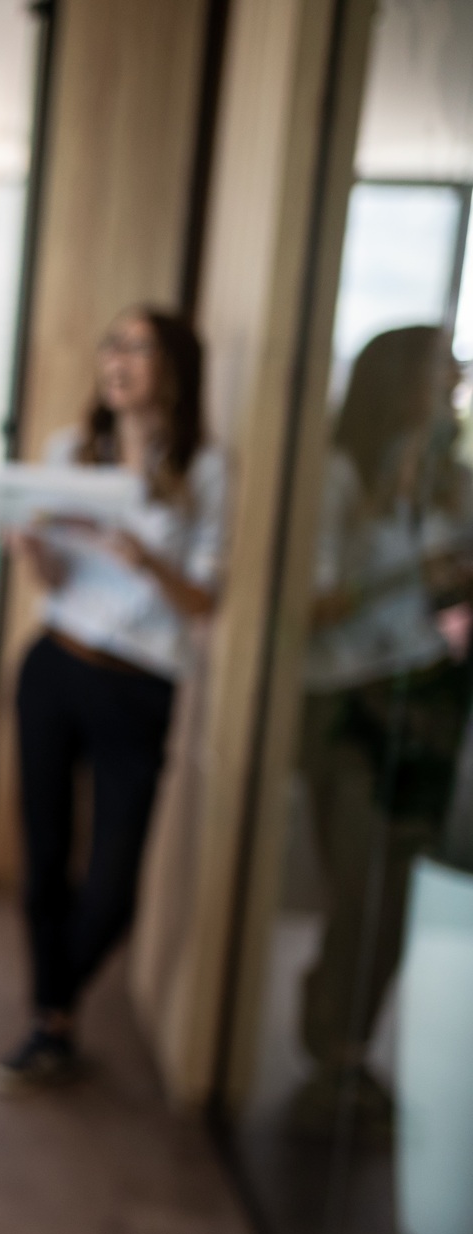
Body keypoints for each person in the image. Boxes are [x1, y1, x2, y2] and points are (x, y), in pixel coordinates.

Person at [0, 306, 227, 1095]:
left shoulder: (207, 468)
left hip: (141, 682)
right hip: (55, 663)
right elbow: (58, 579)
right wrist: (31, 551)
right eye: (110, 343)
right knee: (44, 852)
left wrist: (147, 559)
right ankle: (52, 1023)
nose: (117, 360)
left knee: (114, 882)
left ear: (174, 367)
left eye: (137, 346)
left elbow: (203, 602)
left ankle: (54, 999)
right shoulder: (71, 452)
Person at [290, 324, 473, 1134]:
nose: (455, 386)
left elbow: (434, 603)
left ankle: (351, 1049)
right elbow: (315, 605)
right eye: (441, 372)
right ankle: (330, 1038)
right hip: (348, 701)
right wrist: (414, 571)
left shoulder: (444, 478)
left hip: (429, 690)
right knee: (360, 883)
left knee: (399, 889)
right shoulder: (334, 475)